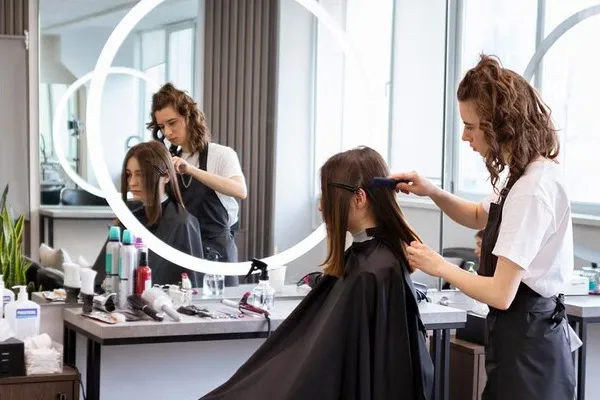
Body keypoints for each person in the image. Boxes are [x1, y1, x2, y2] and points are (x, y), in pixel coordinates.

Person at [392, 55, 576, 399]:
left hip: (531, 351)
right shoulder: (521, 174)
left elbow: (500, 294)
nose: (465, 137)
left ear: (501, 124)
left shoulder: (532, 189)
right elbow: (479, 215)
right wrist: (432, 191)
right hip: (520, 339)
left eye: (471, 126)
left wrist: (438, 265)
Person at [201, 146, 433, 400]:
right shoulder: (369, 260)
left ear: (359, 198)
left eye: (327, 196)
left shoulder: (373, 270)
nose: (321, 206)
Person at [147, 84, 246, 274]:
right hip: (182, 250)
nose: (167, 132)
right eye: (162, 127)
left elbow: (240, 190)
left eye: (172, 123)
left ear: (189, 117)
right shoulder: (169, 160)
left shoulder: (221, 154)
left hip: (217, 253)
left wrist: (191, 170)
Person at [92, 141, 204, 288]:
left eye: (141, 175)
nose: (132, 183)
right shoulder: (130, 219)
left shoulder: (181, 223)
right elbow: (100, 279)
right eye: (129, 174)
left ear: (166, 176)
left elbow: (192, 288)